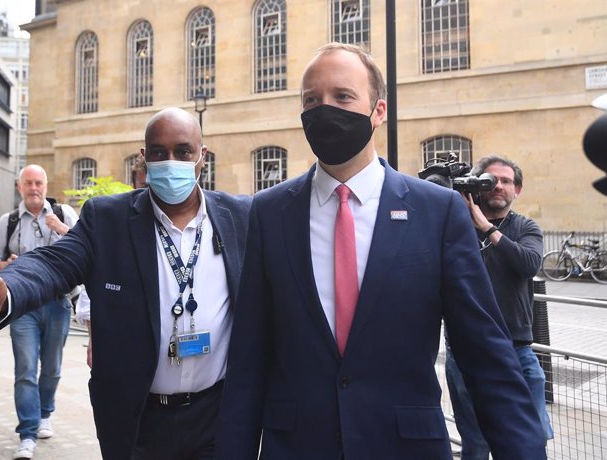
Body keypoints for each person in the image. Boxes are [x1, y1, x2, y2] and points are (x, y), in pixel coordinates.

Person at [216, 42, 546, 459]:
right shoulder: (269, 211)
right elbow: (249, 358)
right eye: (311, 100)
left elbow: (486, 354)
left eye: (342, 96)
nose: (324, 110)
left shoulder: (437, 211)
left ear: (379, 111)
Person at [0, 107, 252, 459]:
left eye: (183, 152)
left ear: (202, 157)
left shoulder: (241, 218)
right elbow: (53, 263)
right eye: (159, 153)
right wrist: (8, 291)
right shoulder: (107, 219)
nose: (170, 162)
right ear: (144, 157)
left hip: (219, 417)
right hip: (137, 421)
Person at [445, 155, 553, 459]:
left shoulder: (525, 227)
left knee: (529, 442)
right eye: (491, 180)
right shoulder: (454, 226)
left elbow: (529, 264)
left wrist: (485, 227)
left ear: (517, 190)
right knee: (476, 443)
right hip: (466, 349)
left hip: (516, 348)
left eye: (507, 181)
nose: (499, 186)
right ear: (477, 186)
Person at [0, 164, 79, 459]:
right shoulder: (9, 221)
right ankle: (27, 434)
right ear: (19, 187)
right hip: (23, 305)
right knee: (25, 370)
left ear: (47, 185)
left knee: (51, 368)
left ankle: (45, 413)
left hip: (58, 302)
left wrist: (61, 229)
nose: (34, 188)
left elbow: (87, 250)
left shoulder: (64, 214)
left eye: (39, 182)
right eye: (28, 183)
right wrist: (8, 263)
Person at [75, 154, 148, 368]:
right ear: (133, 185)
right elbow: (93, 286)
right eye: (144, 186)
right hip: (123, 349)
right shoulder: (112, 228)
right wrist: (93, 341)